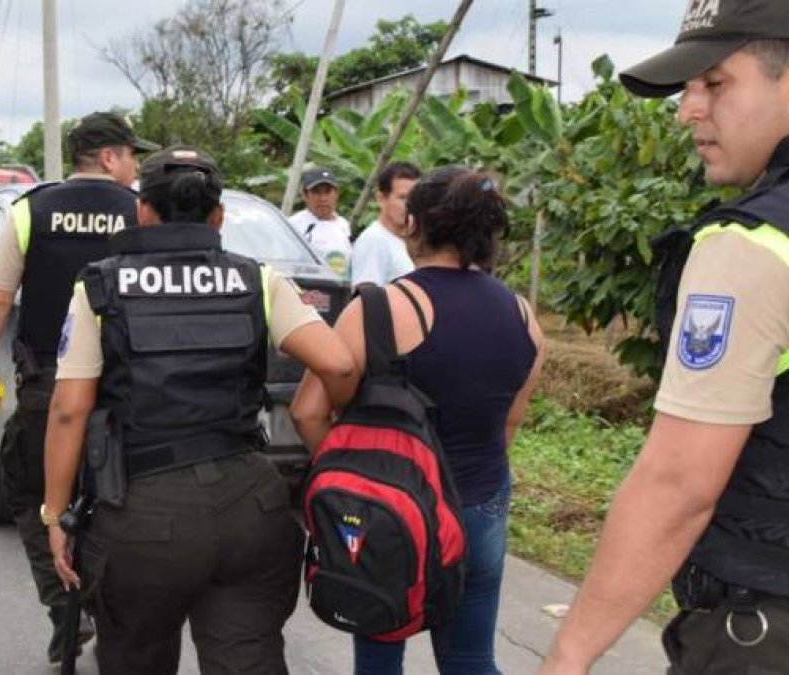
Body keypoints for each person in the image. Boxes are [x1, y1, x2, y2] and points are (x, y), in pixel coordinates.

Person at [43, 145, 359, 674]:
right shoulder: (256, 279)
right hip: (250, 509)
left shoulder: (101, 284)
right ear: (219, 216)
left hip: (141, 513)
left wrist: (56, 515)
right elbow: (341, 367)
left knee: (135, 658)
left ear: (142, 210)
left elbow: (69, 411)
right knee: (247, 658)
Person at [540, 3, 789, 673]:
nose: (687, 110)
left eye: (715, 82)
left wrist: (569, 653)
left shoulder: (753, 246)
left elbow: (679, 481)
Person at [292, 166, 545, 675]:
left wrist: (347, 472)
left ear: (411, 224)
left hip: (386, 505)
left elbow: (307, 410)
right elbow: (508, 426)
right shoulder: (523, 315)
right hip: (479, 504)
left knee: (380, 652)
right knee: (471, 659)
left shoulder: (379, 309)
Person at [0, 111, 156, 663]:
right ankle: (114, 610)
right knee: (124, 497)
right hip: (126, 389)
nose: (135, 165)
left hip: (49, 383)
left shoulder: (30, 209)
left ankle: (63, 606)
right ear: (109, 158)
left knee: (30, 491)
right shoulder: (140, 211)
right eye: (131, 154)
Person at [350, 162, 420, 287]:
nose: (410, 204)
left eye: (415, 198)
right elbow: (365, 296)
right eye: (402, 198)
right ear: (381, 199)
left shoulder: (413, 241)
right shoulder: (373, 240)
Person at [289, 166, 353, 278]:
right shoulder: (294, 226)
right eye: (316, 192)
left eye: (328, 192)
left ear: (336, 194)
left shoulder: (343, 225)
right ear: (305, 195)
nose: (323, 198)